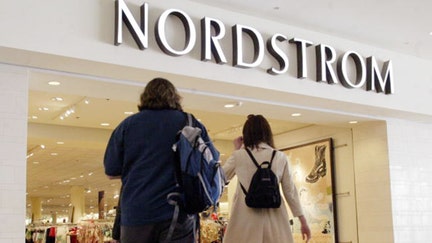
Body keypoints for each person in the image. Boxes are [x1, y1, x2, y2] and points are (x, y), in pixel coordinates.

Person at [104, 77, 214, 243]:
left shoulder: (127, 126)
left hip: (136, 213)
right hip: (178, 212)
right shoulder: (190, 124)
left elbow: (111, 171)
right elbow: (210, 165)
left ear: (144, 98)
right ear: (175, 97)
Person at [222, 114, 311, 243]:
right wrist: (303, 221)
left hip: (245, 221)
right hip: (275, 222)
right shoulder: (280, 157)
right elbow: (290, 191)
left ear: (246, 134)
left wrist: (238, 149)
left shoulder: (239, 156)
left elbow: (221, 178)